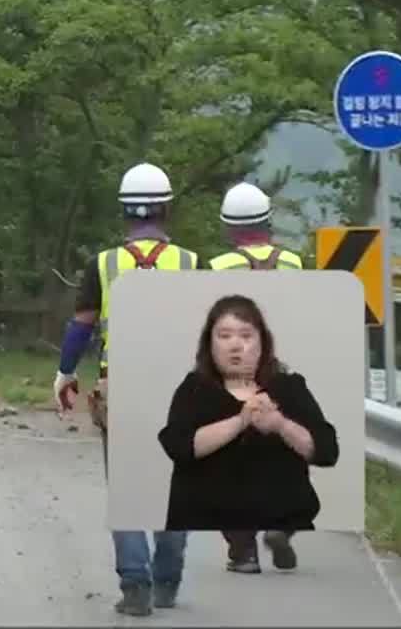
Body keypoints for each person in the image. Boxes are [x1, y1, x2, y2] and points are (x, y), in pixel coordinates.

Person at [55, 161, 199, 617]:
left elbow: (81, 326)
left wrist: (64, 373)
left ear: (125, 212)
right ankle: (167, 582)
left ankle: (135, 586)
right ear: (166, 209)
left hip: (121, 386)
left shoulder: (104, 264)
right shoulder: (194, 263)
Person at [157, 294, 337, 572]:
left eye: (246, 335)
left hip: (281, 507)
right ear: (210, 344)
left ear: (262, 343)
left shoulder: (289, 387)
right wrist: (240, 421)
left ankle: (276, 534)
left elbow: (326, 451)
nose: (235, 345)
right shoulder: (194, 389)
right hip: (208, 511)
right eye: (224, 335)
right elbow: (180, 448)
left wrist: (280, 424)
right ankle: (242, 546)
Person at [206, 181, 305, 571]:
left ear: (229, 227)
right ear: (268, 221)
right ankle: (282, 525)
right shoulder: (294, 262)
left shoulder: (215, 266)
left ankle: (243, 551)